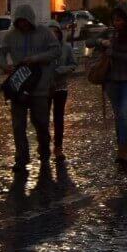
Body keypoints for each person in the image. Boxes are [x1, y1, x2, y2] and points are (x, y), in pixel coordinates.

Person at [0, 4, 61, 173]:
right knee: (18, 124)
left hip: (39, 87)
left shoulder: (44, 33)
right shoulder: (11, 35)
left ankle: (44, 150)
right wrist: (4, 66)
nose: (23, 25)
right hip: (19, 86)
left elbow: (56, 51)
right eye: (20, 22)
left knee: (40, 122)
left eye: (25, 21)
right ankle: (21, 157)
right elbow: (0, 52)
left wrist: (37, 58)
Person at [95, 3, 127, 166]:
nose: (117, 23)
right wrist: (102, 42)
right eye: (114, 20)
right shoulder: (111, 33)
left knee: (124, 113)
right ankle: (121, 144)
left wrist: (114, 53)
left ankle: (124, 148)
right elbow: (90, 42)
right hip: (112, 80)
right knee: (118, 116)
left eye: (120, 20)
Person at [48, 21, 78, 162]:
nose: (53, 35)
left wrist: (61, 70)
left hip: (60, 87)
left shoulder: (66, 48)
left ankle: (58, 146)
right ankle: (44, 144)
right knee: (43, 118)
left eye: (55, 32)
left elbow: (73, 64)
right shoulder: (43, 48)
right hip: (45, 88)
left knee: (58, 118)